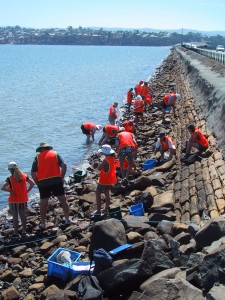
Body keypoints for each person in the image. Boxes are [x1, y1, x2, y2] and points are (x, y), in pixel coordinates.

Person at [31, 142, 71, 229]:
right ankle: (67, 219)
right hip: (56, 181)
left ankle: (42, 223)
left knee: (43, 204)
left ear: (41, 149)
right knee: (63, 200)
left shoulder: (37, 158)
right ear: (48, 148)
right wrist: (62, 176)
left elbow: (33, 173)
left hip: (43, 183)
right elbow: (64, 165)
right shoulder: (55, 154)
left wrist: (37, 183)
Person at [1, 162, 34, 238]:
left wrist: (10, 191)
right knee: (23, 216)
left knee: (15, 217)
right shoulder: (24, 176)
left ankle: (16, 233)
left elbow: (2, 187)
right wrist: (27, 191)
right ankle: (24, 232)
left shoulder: (10, 179)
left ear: (10, 170)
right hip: (23, 199)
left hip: (13, 201)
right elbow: (32, 184)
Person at [94, 144, 116, 216]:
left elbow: (99, 168)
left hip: (104, 180)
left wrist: (97, 164)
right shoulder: (112, 158)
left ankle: (98, 211)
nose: (101, 153)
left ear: (105, 153)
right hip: (110, 179)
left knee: (98, 193)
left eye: (102, 152)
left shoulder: (106, 160)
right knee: (107, 193)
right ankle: (106, 209)